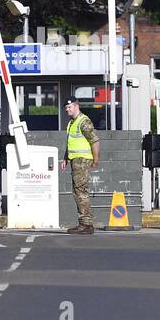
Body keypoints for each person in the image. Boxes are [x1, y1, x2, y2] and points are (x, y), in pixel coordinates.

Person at [60, 99, 99, 234]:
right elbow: (70, 142)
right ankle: (84, 223)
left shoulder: (83, 121)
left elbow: (94, 141)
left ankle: (86, 224)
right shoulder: (72, 123)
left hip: (82, 160)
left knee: (81, 191)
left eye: (69, 107)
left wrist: (96, 159)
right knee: (78, 191)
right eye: (66, 107)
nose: (67, 109)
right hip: (75, 160)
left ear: (76, 106)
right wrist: (65, 157)